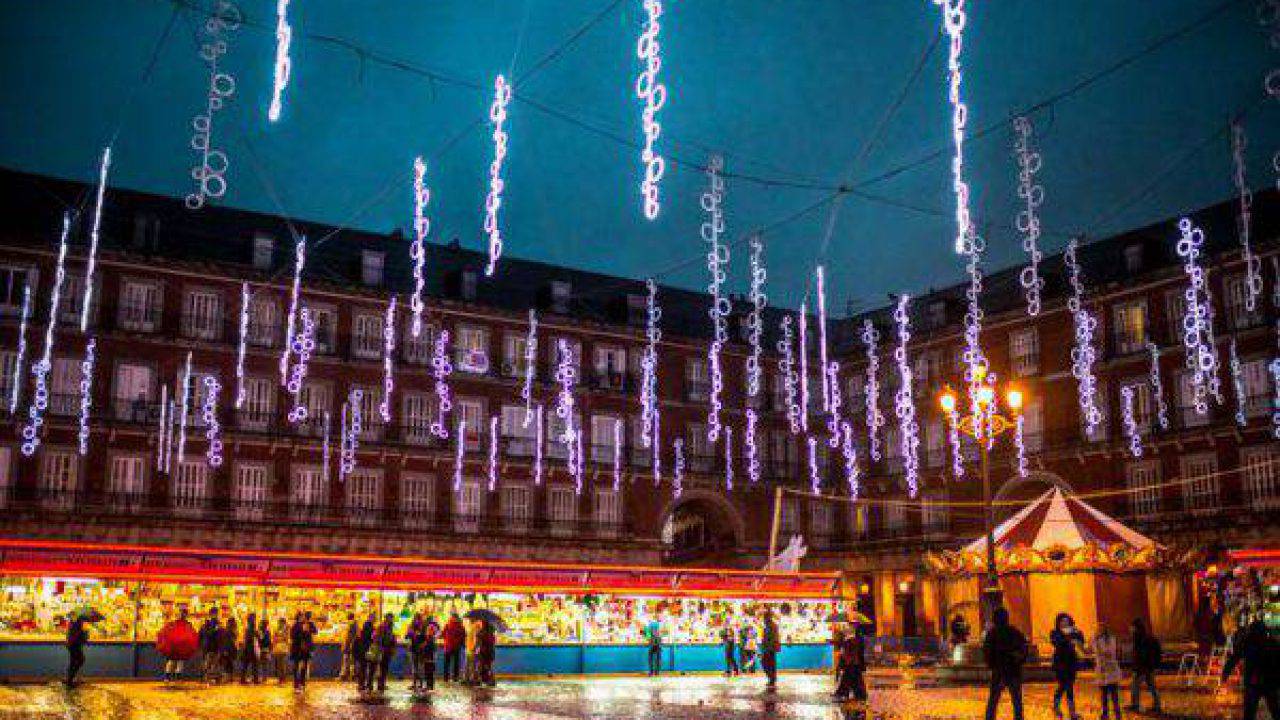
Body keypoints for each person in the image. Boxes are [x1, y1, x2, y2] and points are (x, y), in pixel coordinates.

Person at [1221, 616, 1279, 720]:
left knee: (1250, 713)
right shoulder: (1271, 643)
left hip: (1254, 682)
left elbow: (1234, 659)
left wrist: (1225, 674)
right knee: (1274, 710)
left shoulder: (1247, 643)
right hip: (1269, 682)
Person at [982, 606, 1028, 720]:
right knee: (1016, 700)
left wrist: (991, 665)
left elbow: (987, 652)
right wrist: (1018, 661)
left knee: (993, 700)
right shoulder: (1015, 632)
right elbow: (1024, 649)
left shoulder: (992, 634)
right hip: (1013, 670)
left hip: (999, 671)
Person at [1049, 612, 1085, 720]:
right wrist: (1069, 636)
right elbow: (1057, 642)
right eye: (1062, 621)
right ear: (1058, 623)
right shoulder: (1055, 632)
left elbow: (1081, 640)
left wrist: (1076, 634)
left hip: (1071, 662)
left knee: (1067, 686)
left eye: (1066, 621)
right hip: (1060, 663)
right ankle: (1071, 712)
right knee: (1066, 686)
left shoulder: (1074, 631)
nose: (1064, 623)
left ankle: (1057, 705)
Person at [1127, 618, 1162, 714]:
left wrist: (1137, 667)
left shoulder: (1140, 639)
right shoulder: (1146, 638)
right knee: (1152, 686)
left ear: (1136, 628)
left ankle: (1135, 704)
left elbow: (1141, 655)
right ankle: (1157, 705)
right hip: (1148, 667)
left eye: (1132, 627)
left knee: (1135, 686)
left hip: (1142, 668)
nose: (1130, 629)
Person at [1093, 622, 1125, 720]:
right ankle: (1106, 713)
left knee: (1112, 693)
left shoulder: (1109, 639)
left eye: (1101, 628)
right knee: (1105, 694)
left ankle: (1116, 713)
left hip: (1109, 669)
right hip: (1103, 669)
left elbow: (1109, 652)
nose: (1099, 630)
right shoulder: (1097, 640)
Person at [832, 623, 868, 702]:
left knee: (849, 678)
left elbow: (849, 653)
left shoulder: (850, 641)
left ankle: (845, 693)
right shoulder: (857, 639)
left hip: (851, 663)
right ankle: (858, 694)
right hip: (854, 663)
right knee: (854, 679)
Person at [160, 608, 194, 682]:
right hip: (179, 645)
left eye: (183, 614)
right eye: (182, 614)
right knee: (176, 661)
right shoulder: (186, 624)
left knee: (175, 661)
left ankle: (169, 677)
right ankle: (175, 677)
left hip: (176, 645)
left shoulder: (175, 623)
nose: (182, 615)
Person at [289, 611, 314, 690]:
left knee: (297, 666)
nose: (303, 618)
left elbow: (292, 637)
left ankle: (297, 683)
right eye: (302, 616)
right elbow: (305, 636)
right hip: (302, 649)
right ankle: (301, 683)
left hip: (296, 649)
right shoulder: (302, 626)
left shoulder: (294, 626)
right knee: (303, 666)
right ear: (300, 617)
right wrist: (305, 631)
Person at [374, 613, 397, 694]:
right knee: (382, 667)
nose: (391, 620)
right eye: (391, 618)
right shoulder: (382, 627)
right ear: (387, 618)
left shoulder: (390, 627)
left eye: (392, 618)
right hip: (383, 649)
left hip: (387, 650)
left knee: (384, 667)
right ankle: (380, 684)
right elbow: (379, 638)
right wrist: (381, 647)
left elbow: (391, 638)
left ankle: (382, 683)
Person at [355, 612, 377, 693]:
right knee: (368, 668)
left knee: (364, 668)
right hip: (368, 650)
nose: (375, 619)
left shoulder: (366, 626)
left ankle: (363, 684)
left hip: (364, 650)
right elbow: (369, 638)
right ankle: (367, 684)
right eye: (374, 618)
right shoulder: (369, 626)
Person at [198, 608, 221, 683]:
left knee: (208, 662)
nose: (217, 615)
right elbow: (212, 634)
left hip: (206, 646)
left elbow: (200, 635)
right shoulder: (214, 623)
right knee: (212, 663)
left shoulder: (205, 624)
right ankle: (209, 677)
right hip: (212, 646)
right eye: (216, 613)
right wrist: (216, 630)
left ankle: (205, 677)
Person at [65, 614, 89, 686]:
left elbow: (70, 635)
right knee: (81, 660)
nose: (86, 623)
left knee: (73, 662)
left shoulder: (73, 625)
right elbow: (83, 639)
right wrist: (86, 632)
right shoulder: (78, 627)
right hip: (75, 646)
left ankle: (69, 679)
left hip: (71, 645)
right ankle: (70, 679)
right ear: (82, 621)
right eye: (85, 621)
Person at [761, 610, 781, 691]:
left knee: (768, 663)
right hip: (769, 648)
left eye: (764, 617)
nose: (764, 619)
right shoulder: (769, 626)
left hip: (770, 648)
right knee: (769, 663)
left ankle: (772, 679)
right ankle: (771, 678)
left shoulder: (772, 626)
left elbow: (771, 638)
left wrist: (767, 646)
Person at [442, 613, 465, 682]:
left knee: (447, 663)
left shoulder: (448, 625)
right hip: (456, 647)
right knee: (455, 663)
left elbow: (442, 634)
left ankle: (446, 677)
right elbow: (463, 635)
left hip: (448, 646)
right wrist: (460, 642)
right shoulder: (460, 626)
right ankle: (455, 677)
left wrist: (446, 638)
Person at [239, 613, 261, 684]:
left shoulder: (247, 628)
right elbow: (254, 637)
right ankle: (255, 679)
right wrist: (257, 635)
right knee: (254, 665)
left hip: (247, 648)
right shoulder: (252, 628)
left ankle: (243, 679)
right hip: (251, 648)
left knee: (246, 665)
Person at [476, 618, 497, 687]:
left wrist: (478, 632)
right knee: (488, 666)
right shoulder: (492, 633)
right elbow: (492, 642)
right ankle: (489, 680)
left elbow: (480, 641)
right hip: (490, 652)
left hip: (484, 652)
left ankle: (486, 680)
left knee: (483, 666)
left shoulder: (483, 632)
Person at [269, 617, 290, 683]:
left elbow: (286, 638)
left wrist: (278, 638)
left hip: (282, 648)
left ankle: (282, 678)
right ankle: (281, 678)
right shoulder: (278, 630)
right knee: (279, 664)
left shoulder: (286, 630)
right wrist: (281, 638)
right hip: (279, 648)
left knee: (282, 664)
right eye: (280, 623)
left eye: (282, 623)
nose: (281, 624)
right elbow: (275, 638)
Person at [340, 612, 359, 682]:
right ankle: (352, 676)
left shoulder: (350, 625)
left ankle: (346, 676)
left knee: (347, 661)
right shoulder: (354, 624)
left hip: (349, 646)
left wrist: (345, 644)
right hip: (351, 646)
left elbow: (347, 637)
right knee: (352, 661)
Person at [219, 616, 238, 681]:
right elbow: (228, 641)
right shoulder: (230, 631)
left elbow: (226, 641)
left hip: (229, 650)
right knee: (229, 664)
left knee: (227, 664)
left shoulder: (228, 631)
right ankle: (229, 677)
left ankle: (228, 677)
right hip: (230, 650)